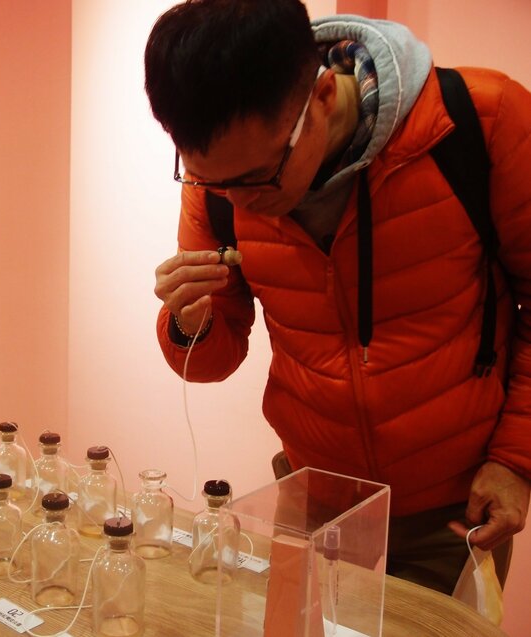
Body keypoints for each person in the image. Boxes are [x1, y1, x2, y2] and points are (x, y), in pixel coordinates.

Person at [145, 0, 531, 595]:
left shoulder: (482, 120)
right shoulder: (223, 184)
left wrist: (516, 461)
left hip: (454, 511)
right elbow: (214, 356)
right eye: (210, 180)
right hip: (313, 497)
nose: (240, 202)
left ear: (323, 95)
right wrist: (189, 324)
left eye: (259, 178)